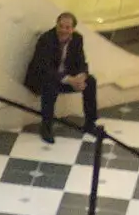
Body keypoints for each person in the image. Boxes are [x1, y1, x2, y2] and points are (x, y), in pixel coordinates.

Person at [23, 11, 99, 144]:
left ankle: (90, 123)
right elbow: (44, 68)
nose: (63, 30)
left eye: (67, 27)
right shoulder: (46, 40)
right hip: (45, 78)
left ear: (73, 29)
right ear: (56, 25)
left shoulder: (77, 39)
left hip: (67, 77)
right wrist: (69, 79)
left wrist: (82, 76)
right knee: (49, 87)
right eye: (61, 26)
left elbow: (81, 62)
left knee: (91, 82)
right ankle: (46, 127)